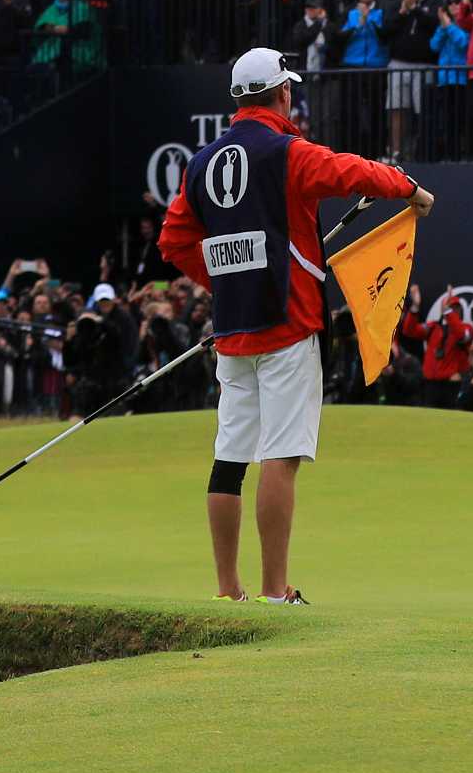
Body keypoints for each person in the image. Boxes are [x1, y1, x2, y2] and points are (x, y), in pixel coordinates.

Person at [159, 45, 430, 605]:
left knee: (230, 458)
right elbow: (352, 172)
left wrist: (226, 281)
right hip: (288, 325)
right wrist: (407, 187)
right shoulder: (288, 151)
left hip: (234, 329)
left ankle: (227, 591)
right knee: (281, 456)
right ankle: (275, 593)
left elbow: (174, 242)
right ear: (283, 94)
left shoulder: (200, 162)